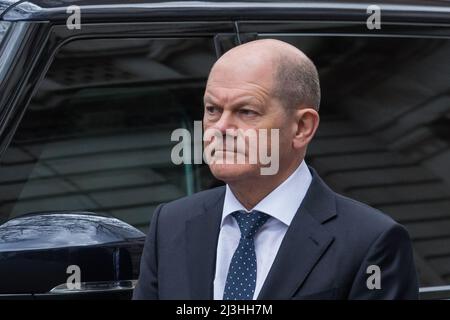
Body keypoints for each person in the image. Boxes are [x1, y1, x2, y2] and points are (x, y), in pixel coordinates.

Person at [133, 39, 419, 300]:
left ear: (302, 127)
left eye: (246, 112)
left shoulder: (371, 241)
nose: (220, 129)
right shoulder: (170, 223)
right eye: (212, 110)